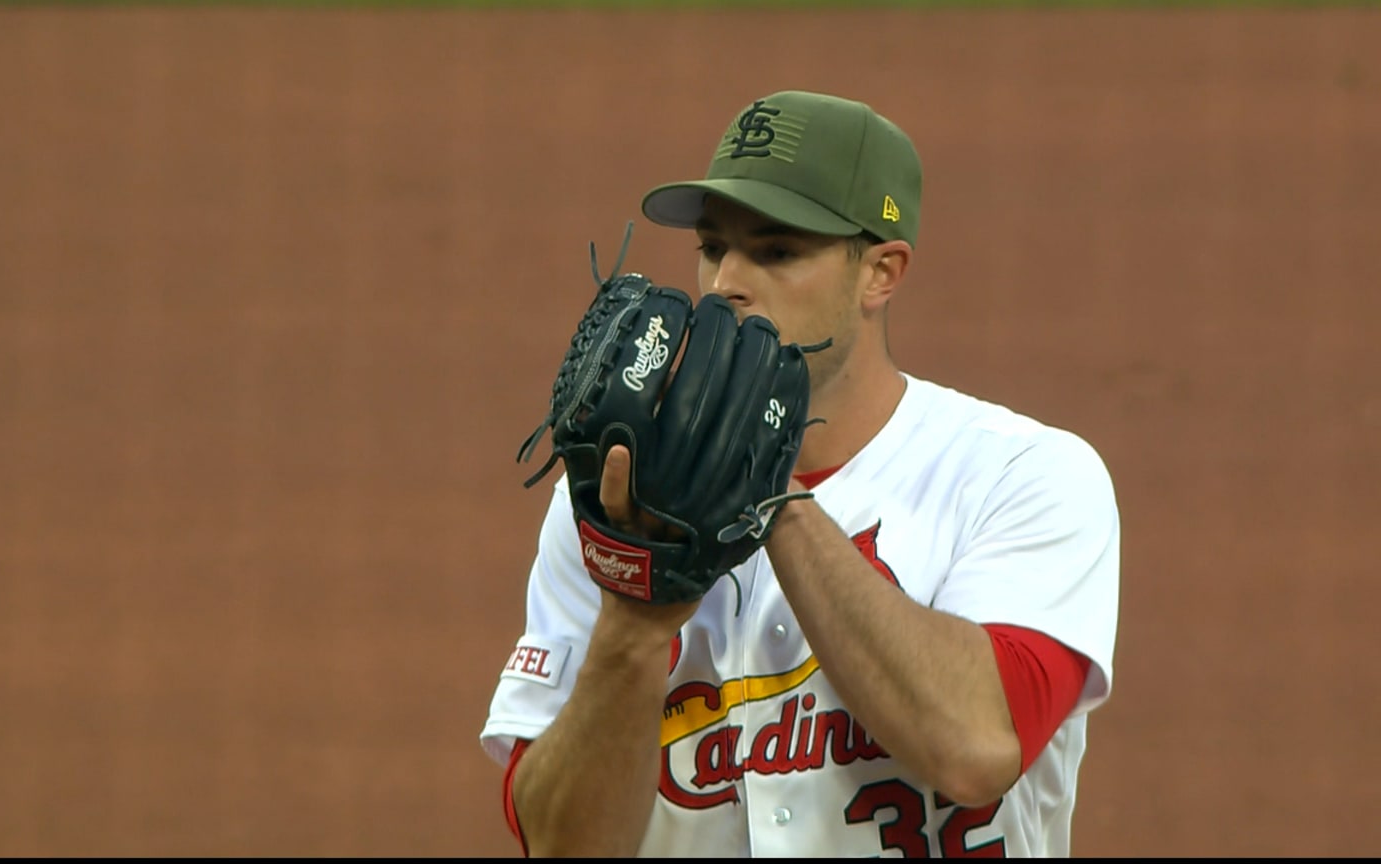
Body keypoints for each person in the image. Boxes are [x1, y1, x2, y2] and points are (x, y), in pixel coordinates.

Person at [479, 89, 1121, 858]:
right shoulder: (613, 501)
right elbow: (559, 846)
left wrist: (771, 496)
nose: (726, 283)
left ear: (880, 272)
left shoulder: (1021, 476)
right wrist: (633, 628)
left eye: (778, 252)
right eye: (713, 247)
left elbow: (977, 748)